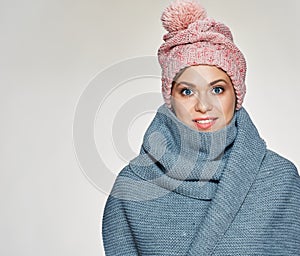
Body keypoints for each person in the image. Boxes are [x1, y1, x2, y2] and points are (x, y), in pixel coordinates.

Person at [102, 0, 300, 255]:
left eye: (217, 89)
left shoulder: (279, 180)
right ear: (170, 98)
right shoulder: (131, 189)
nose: (204, 106)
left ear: (236, 94)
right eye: (187, 91)